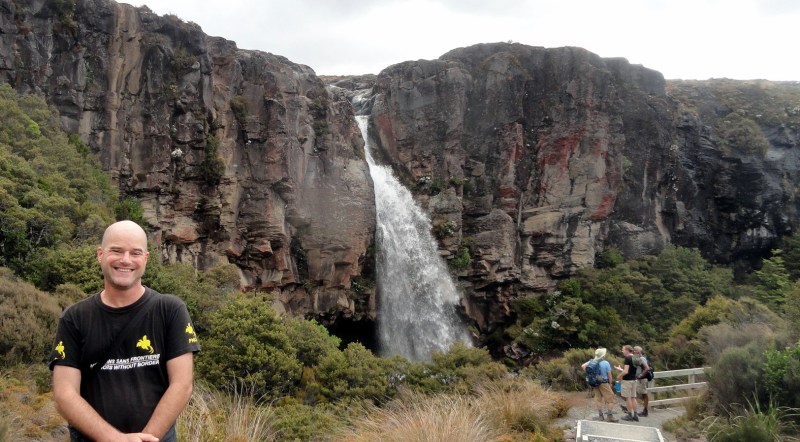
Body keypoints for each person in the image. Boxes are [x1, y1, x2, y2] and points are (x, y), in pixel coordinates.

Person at [49, 220, 201, 441]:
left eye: (135, 253)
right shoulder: (75, 317)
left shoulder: (170, 310)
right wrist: (114, 439)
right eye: (116, 250)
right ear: (100, 254)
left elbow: (182, 384)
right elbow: (64, 394)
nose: (126, 260)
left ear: (146, 259)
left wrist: (146, 438)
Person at [581, 347, 619, 422]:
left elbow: (583, 366)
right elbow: (609, 375)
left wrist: (589, 374)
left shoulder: (591, 361)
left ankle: (600, 416)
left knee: (598, 399)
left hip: (595, 383)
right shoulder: (605, 363)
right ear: (603, 355)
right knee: (610, 399)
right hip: (604, 383)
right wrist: (610, 383)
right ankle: (609, 416)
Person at [615, 344, 640, 421]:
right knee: (633, 397)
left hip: (627, 381)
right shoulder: (636, 357)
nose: (622, 351)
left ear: (627, 350)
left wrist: (619, 376)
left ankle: (629, 415)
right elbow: (631, 371)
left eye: (623, 349)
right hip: (634, 380)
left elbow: (626, 372)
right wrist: (620, 369)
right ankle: (635, 415)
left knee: (628, 397)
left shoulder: (627, 358)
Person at [633, 345, 651, 416]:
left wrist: (640, 376)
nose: (634, 351)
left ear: (639, 351)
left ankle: (645, 410)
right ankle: (642, 410)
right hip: (639, 379)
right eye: (634, 350)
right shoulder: (637, 358)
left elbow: (647, 368)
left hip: (642, 379)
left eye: (635, 350)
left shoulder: (642, 358)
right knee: (641, 394)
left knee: (643, 394)